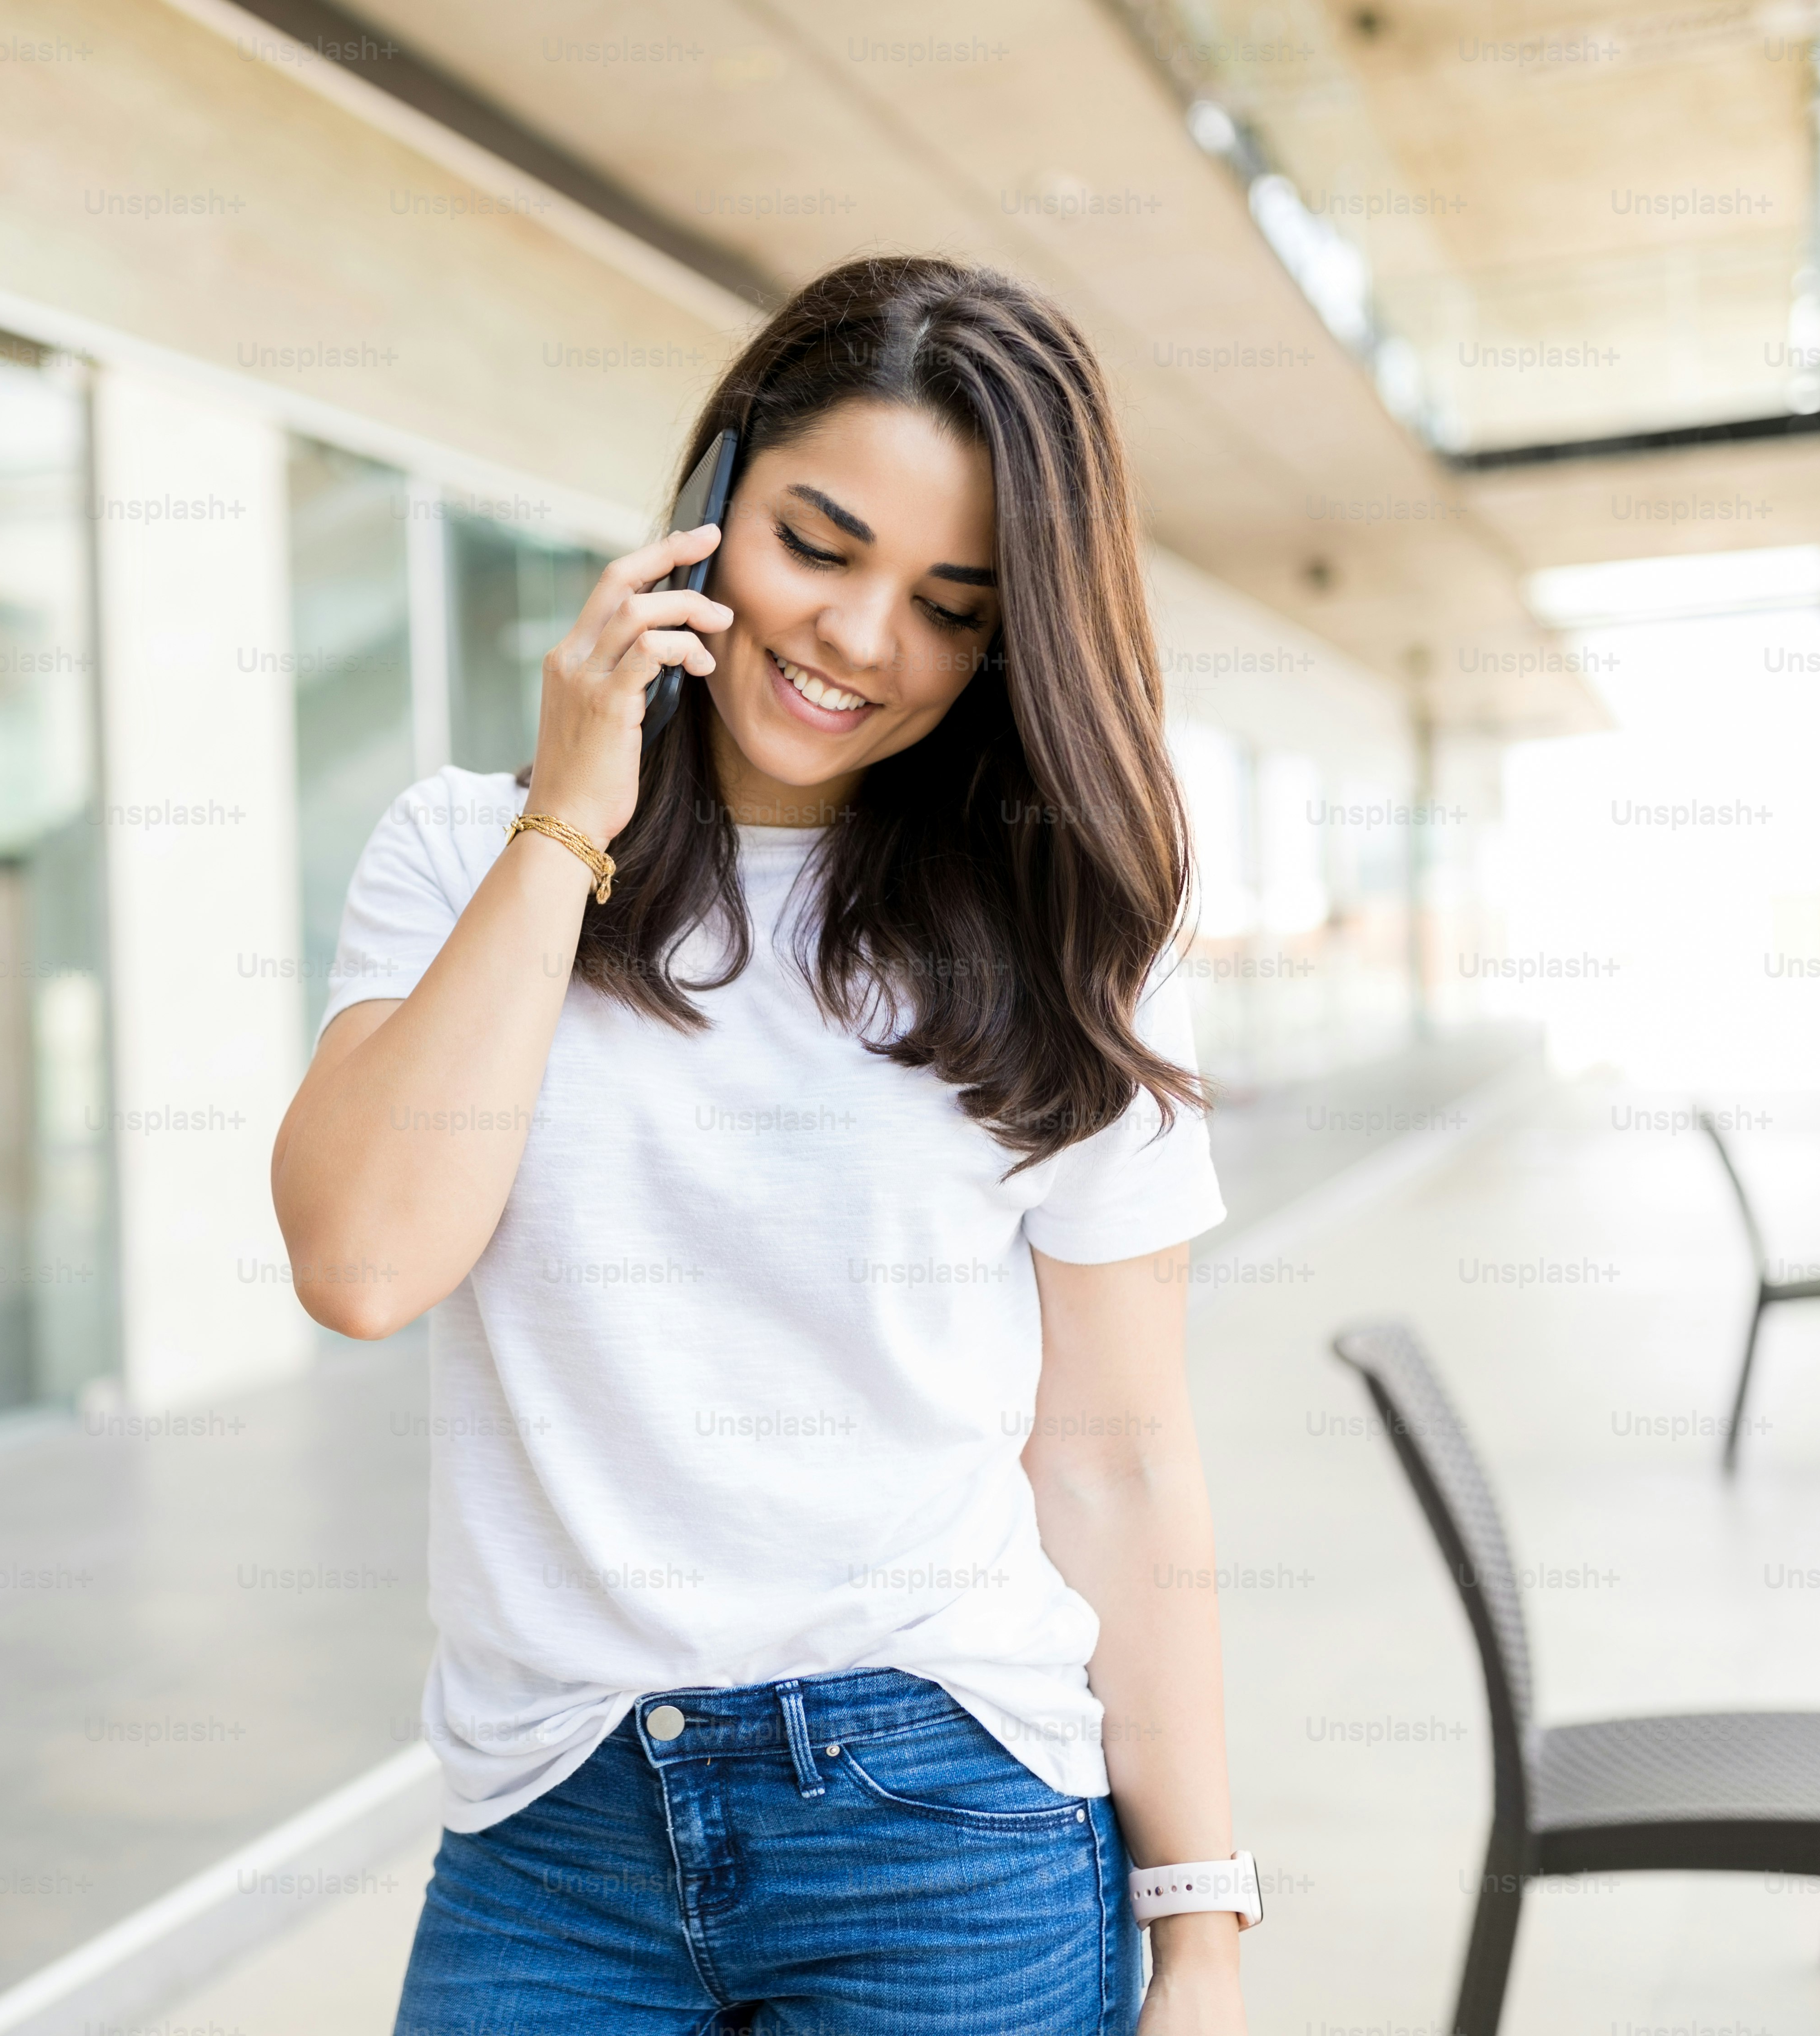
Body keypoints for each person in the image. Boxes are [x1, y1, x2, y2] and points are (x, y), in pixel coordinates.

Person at [274, 257, 1252, 2034]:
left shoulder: (1060, 923)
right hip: (549, 1816)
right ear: (713, 492)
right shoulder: (458, 857)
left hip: (942, 1807)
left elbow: (1116, 1452)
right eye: (819, 542)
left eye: (953, 605)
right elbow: (361, 1258)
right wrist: (572, 819)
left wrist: (1202, 1924)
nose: (863, 640)